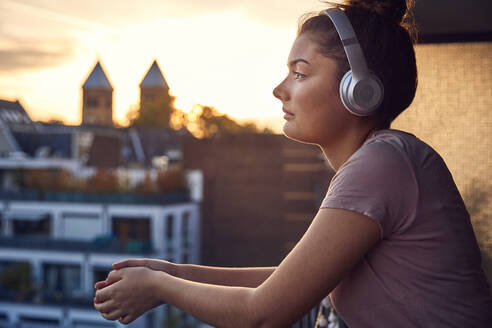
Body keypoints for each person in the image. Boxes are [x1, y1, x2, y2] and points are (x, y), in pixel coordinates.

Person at [94, 0, 492, 326]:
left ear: (360, 90)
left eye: (299, 74)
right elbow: (289, 283)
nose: (279, 89)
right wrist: (170, 273)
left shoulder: (381, 165)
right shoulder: (380, 162)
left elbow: (263, 313)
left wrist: (159, 288)